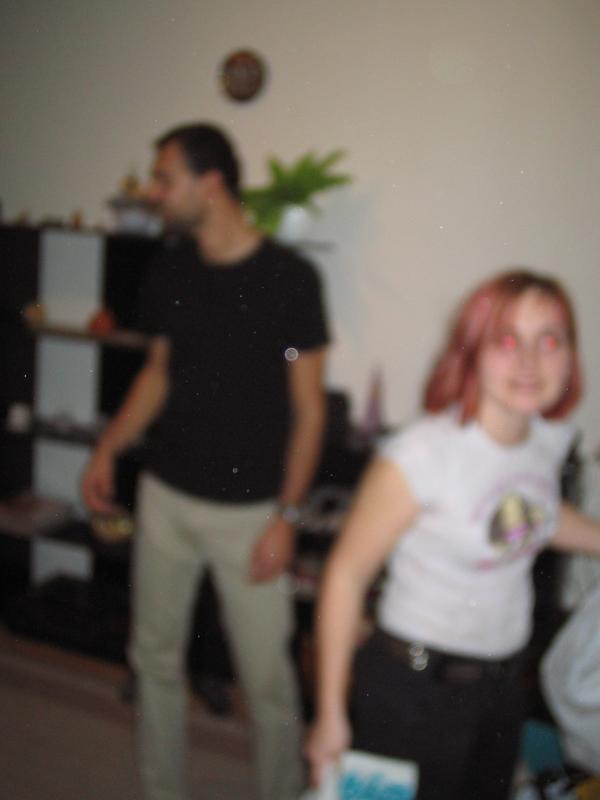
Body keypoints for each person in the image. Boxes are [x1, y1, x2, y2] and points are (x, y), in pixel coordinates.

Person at [82, 123, 329, 800]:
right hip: (165, 499)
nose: (153, 192)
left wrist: (287, 517)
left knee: (267, 680)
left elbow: (310, 412)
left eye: (165, 179)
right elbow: (158, 373)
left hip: (249, 515)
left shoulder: (290, 279)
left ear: (211, 184)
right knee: (154, 660)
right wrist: (108, 446)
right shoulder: (170, 270)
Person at [305, 270, 600, 800]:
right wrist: (330, 713)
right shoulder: (422, 455)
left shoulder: (547, 442)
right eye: (506, 340)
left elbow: (542, 514)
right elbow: (345, 577)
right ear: (472, 350)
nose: (529, 361)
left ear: (570, 358)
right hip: (411, 692)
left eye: (549, 341)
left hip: (501, 689)